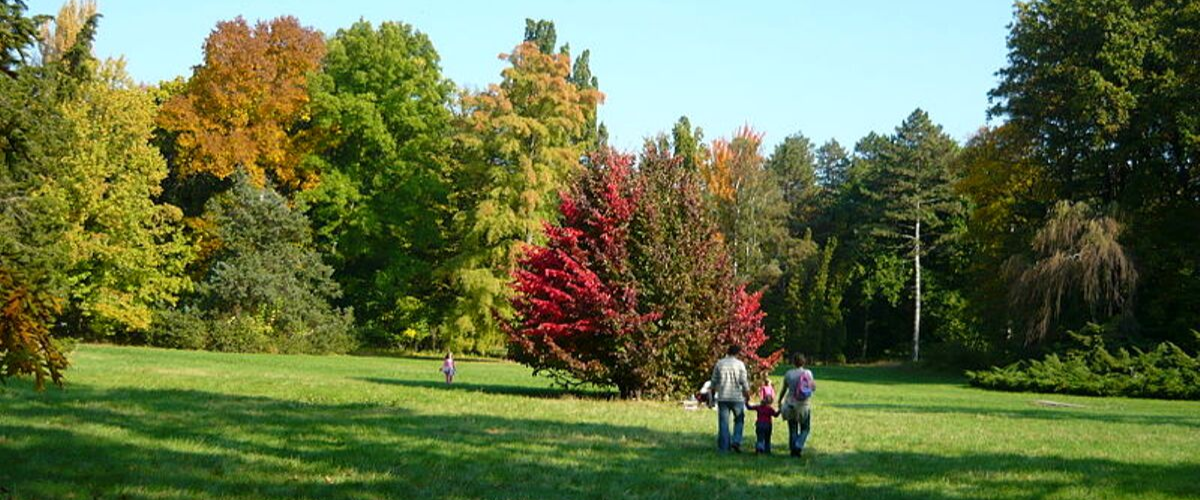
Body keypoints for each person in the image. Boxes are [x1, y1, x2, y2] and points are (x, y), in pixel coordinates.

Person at [710, 344, 751, 453]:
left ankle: (724, 447)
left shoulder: (720, 363)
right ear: (737, 353)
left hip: (723, 397)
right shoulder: (740, 365)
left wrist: (712, 396)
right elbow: (744, 382)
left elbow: (713, 381)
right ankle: (736, 441)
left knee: (723, 423)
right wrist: (747, 395)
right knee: (739, 420)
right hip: (737, 397)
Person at [778, 353, 815, 457]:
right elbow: (812, 387)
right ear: (804, 362)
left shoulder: (788, 374)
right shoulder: (808, 373)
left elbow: (784, 389)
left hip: (790, 404)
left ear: (793, 362)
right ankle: (798, 445)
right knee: (805, 428)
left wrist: (779, 401)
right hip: (803, 405)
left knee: (792, 429)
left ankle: (793, 450)